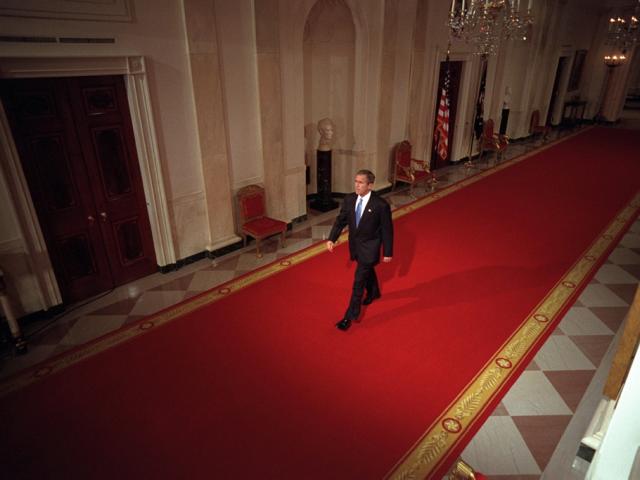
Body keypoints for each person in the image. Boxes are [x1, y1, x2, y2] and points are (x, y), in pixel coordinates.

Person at [326, 169, 393, 331]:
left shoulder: (380, 205)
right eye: (356, 181)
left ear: (370, 185)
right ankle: (374, 292)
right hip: (355, 246)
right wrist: (332, 238)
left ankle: (349, 316)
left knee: (358, 283)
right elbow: (340, 221)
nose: (357, 185)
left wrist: (388, 252)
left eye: (361, 182)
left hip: (370, 247)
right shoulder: (349, 200)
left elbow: (387, 230)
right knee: (367, 270)